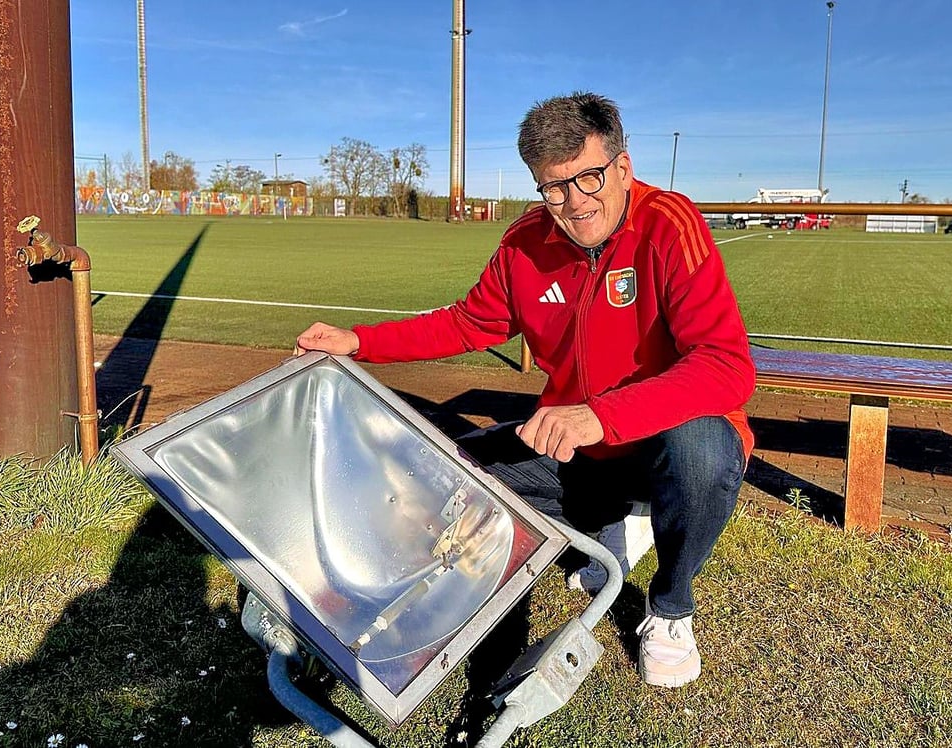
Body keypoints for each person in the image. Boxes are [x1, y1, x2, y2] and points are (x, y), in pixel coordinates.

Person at [295, 91, 755, 688]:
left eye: (589, 178)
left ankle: (670, 608)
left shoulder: (670, 224)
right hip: (575, 451)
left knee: (704, 447)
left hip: (656, 443)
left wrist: (601, 415)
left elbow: (727, 366)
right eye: (553, 187)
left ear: (623, 168)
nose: (575, 202)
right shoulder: (525, 241)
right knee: (449, 474)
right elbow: (468, 322)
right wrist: (359, 341)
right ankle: (614, 520)